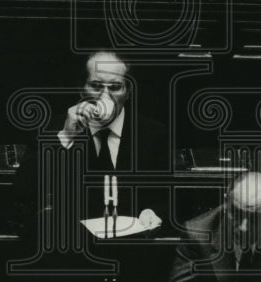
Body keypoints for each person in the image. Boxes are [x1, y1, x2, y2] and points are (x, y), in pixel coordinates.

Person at [13, 51, 168, 228]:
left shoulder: (152, 133)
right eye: (96, 86)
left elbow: (167, 198)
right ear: (81, 89)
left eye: (115, 87)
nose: (105, 96)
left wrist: (152, 213)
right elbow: (23, 193)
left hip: (131, 244)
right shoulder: (54, 129)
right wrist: (66, 136)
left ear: (128, 92)